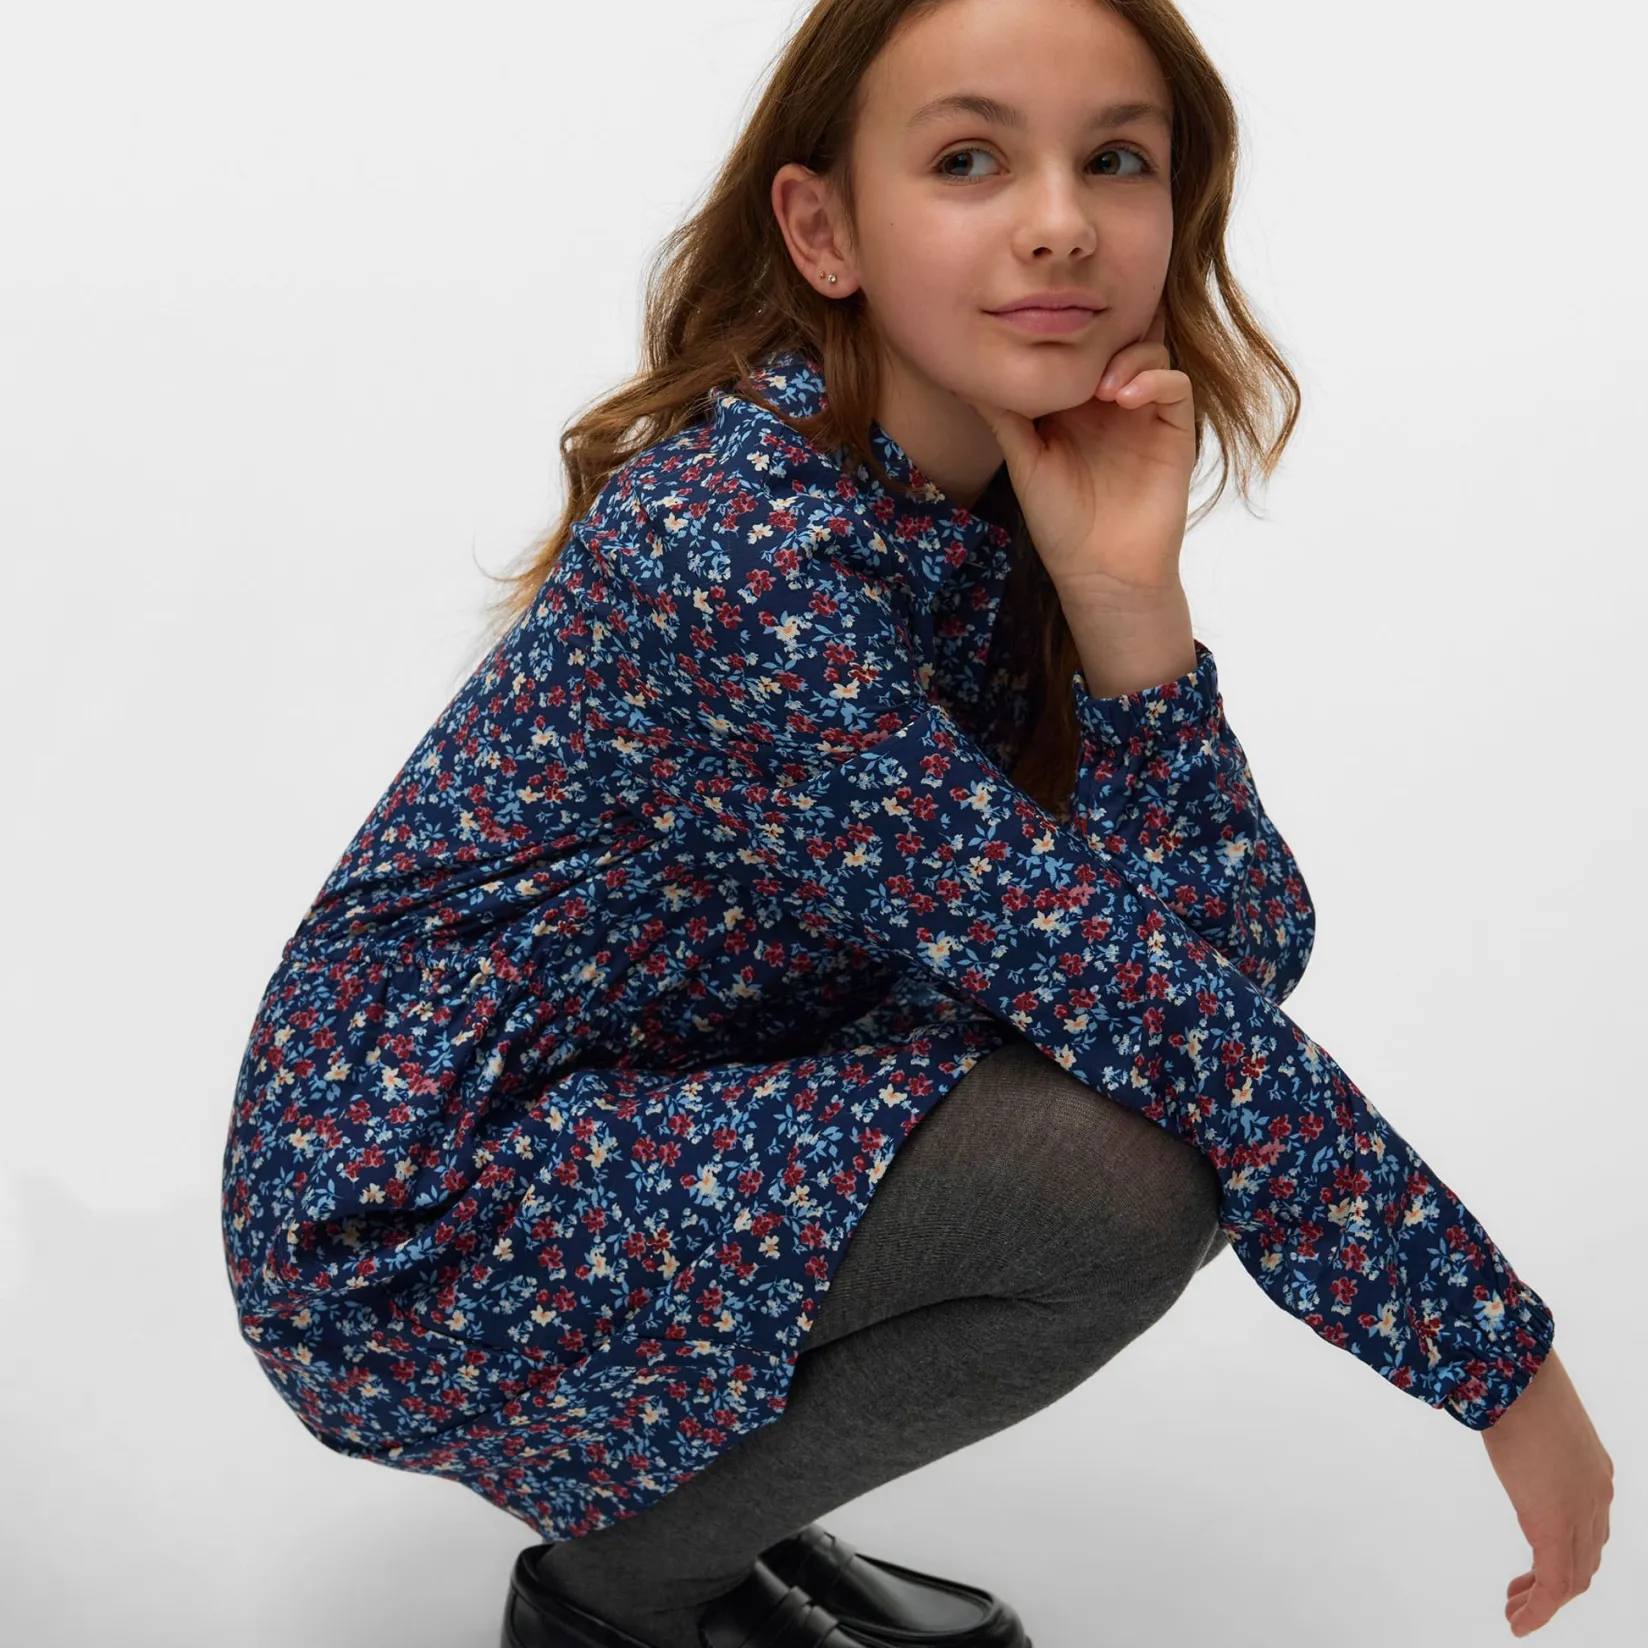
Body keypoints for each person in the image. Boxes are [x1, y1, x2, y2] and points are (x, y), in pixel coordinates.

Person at [218, 1, 1613, 1643]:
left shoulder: (981, 510)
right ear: (823, 231)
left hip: (656, 1103)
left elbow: (1228, 955)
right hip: (414, 1208)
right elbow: (1159, 1014)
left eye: (1117, 161)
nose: (1061, 223)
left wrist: (1126, 606)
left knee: (1127, 1095)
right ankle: (627, 1592)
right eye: (968, 160)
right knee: (1117, 1184)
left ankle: (711, 1518)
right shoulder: (742, 550)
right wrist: (1501, 1366)